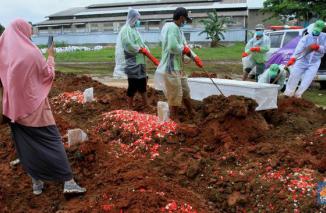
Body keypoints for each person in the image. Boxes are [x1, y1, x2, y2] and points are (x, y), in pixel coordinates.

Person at [0, 19, 86, 195]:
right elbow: (47, 74)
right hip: (35, 108)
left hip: (13, 110)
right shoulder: (31, 53)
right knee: (53, 141)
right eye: (29, 30)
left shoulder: (3, 53)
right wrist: (51, 56)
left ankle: (37, 183)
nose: (31, 34)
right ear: (23, 31)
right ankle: (68, 182)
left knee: (26, 147)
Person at [154, 7, 203, 121]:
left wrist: (195, 57)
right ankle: (173, 119)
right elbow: (172, 47)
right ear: (181, 18)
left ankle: (191, 112)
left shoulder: (178, 30)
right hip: (171, 67)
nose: (185, 22)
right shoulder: (172, 28)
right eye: (185, 19)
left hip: (178, 67)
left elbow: (184, 46)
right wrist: (184, 50)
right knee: (175, 94)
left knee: (185, 91)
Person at [114, 9, 159, 109]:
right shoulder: (125, 30)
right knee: (133, 85)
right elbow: (128, 45)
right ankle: (129, 107)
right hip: (131, 62)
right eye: (138, 19)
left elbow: (142, 44)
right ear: (133, 18)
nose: (139, 21)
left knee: (142, 83)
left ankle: (146, 104)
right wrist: (139, 49)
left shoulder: (135, 30)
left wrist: (146, 50)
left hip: (140, 61)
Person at [284, 20, 326, 98]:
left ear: (322, 29)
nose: (316, 32)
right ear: (313, 28)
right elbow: (298, 49)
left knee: (307, 80)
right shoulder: (306, 37)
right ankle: (288, 94)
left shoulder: (324, 37)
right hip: (302, 60)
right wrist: (293, 58)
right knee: (293, 75)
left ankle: (298, 95)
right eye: (315, 30)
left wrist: (318, 47)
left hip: (314, 62)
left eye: (318, 31)